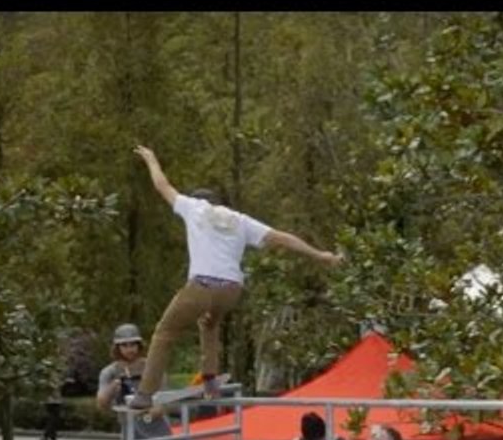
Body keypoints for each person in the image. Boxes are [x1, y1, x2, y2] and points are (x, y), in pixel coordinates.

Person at [129, 145, 343, 411]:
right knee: (209, 322)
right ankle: (209, 379)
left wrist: (151, 158)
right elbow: (283, 238)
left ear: (200, 200)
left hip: (202, 285)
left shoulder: (193, 208)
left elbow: (162, 185)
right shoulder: (240, 220)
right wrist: (320, 255)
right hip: (230, 290)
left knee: (165, 333)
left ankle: (145, 394)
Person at [97, 323, 178, 440]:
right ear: (117, 347)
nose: (129, 349)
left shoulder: (153, 368)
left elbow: (164, 404)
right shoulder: (109, 372)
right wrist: (113, 387)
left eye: (133, 344)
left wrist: (147, 412)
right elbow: (101, 404)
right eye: (124, 345)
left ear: (139, 345)